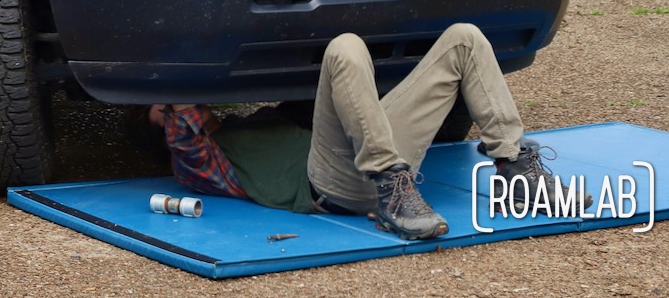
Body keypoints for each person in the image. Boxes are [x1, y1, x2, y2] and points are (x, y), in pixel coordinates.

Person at [147, 23, 566, 239]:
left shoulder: (257, 122)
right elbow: (182, 123)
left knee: (465, 39)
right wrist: (157, 104)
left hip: (386, 163)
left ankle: (514, 170)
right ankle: (391, 190)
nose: (193, 107)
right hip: (333, 187)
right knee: (344, 46)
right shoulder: (201, 163)